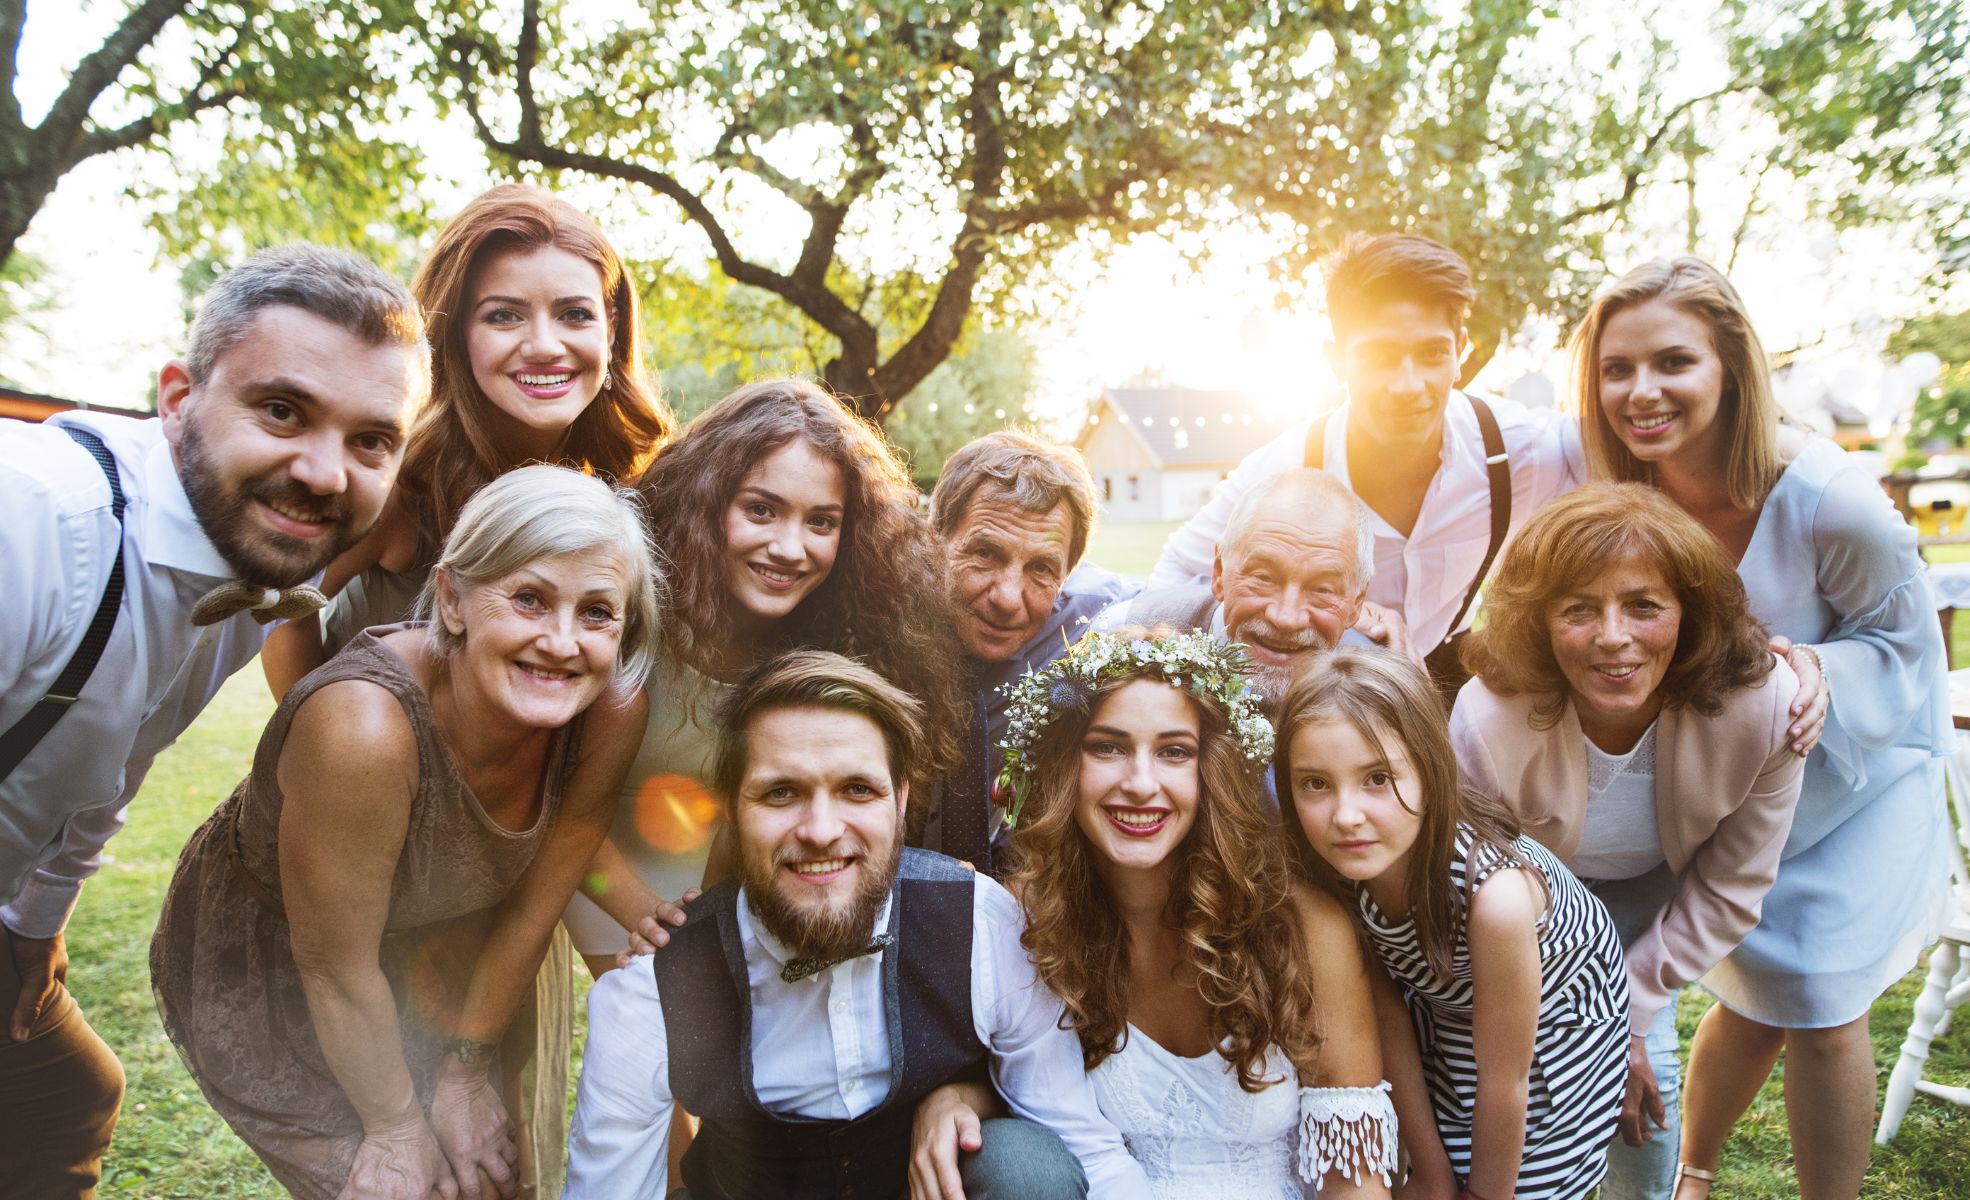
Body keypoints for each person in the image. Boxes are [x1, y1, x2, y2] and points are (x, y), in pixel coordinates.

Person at [0, 244, 428, 1198]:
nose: (324, 473)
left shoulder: (270, 562)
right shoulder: (32, 523)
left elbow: (118, 756)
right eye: (282, 410)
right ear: (178, 398)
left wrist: (37, 921)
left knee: (65, 1095)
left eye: (371, 440)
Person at [150, 466, 658, 1200]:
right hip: (292, 964)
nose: (561, 642)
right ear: (452, 598)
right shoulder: (362, 730)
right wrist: (395, 1127)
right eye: (528, 598)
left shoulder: (610, 707)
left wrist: (463, 1067)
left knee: (489, 1177)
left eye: (598, 613)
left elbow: (541, 893)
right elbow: (332, 963)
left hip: (435, 943)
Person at [1567, 257, 1949, 1200]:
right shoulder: (1628, 496)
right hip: (1735, 793)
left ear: (1730, 366)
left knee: (1820, 999)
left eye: (1672, 363)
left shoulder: (1834, 500)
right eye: (1617, 369)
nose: (1640, 392)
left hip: (1861, 777)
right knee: (1756, 995)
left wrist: (1820, 668)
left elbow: (1907, 652)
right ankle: (1694, 1176)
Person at [567, 650, 1154, 1198]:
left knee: (1026, 1168)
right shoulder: (651, 990)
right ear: (730, 808)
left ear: (900, 801)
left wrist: (965, 1096)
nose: (821, 830)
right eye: (780, 793)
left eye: (856, 789)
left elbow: (1079, 1136)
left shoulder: (979, 921)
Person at [914, 628, 1397, 1199]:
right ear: (1066, 765)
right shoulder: (1025, 921)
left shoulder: (1299, 923)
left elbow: (1354, 1179)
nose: (1140, 784)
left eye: (1174, 751)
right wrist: (960, 1097)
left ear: (1208, 773)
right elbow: (1038, 1084)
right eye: (1108, 747)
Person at [1449, 482, 1809, 1200]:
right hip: (1521, 915)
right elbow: (1477, 892)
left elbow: (1733, 885)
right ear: (1539, 619)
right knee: (1521, 1097)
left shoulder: (1764, 706)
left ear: (1690, 610)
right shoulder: (1488, 717)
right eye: (1578, 609)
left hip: (1656, 905)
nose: (1613, 636)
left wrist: (1628, 1024)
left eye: (1644, 605)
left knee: (1645, 1097)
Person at [564, 378, 966, 976]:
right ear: (708, 501)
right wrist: (654, 917)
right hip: (599, 872)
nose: (789, 547)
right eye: (761, 510)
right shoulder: (629, 611)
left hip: (744, 890)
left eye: (821, 522)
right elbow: (555, 808)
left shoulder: (835, 639)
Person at [262, 182, 673, 696]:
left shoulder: (634, 480)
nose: (545, 346)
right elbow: (284, 611)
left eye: (574, 314)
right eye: (504, 315)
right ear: (455, 333)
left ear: (610, 328)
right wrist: (321, 742)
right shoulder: (401, 478)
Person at [1148, 233, 1583, 694]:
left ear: (1460, 350)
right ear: (1337, 360)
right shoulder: (1283, 468)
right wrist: (1351, 611)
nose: (1408, 384)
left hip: (1450, 674)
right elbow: (1169, 581)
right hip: (1320, 686)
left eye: (1433, 353)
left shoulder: (1522, 450)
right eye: (1380, 356)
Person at [1281, 647, 1630, 1200]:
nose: (1346, 816)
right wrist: (1432, 1171)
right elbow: (1387, 1010)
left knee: (1515, 1184)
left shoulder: (1497, 902)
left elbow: (1506, 1080)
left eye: (1377, 778)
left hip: (1545, 1037)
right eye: (1315, 784)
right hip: (1445, 1004)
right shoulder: (1340, 868)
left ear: (1429, 768)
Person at [924, 431, 1135, 875]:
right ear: (934, 537)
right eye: (984, 553)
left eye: (1041, 568)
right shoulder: (867, 613)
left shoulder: (1093, 613)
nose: (1007, 597)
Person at [1094, 468, 1374, 706]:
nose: (1286, 618)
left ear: (1356, 603)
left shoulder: (1373, 692)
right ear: (1219, 573)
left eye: (1323, 590)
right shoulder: (1117, 639)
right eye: (1264, 577)